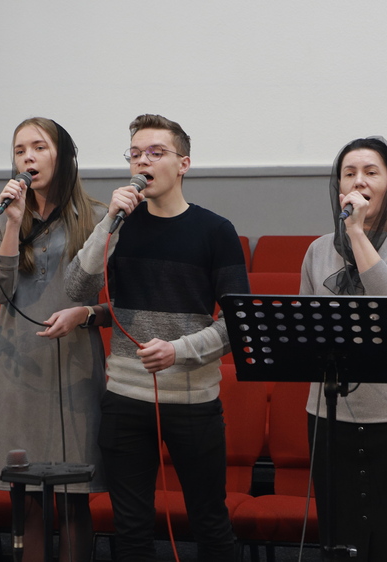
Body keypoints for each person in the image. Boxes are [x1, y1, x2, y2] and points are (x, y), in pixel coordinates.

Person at [64, 114, 249, 561]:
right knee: (130, 530)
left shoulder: (215, 231)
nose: (142, 161)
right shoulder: (118, 226)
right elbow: (76, 287)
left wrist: (178, 351)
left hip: (192, 400)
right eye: (135, 153)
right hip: (125, 399)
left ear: (183, 164)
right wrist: (108, 221)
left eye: (155, 152)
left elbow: (238, 323)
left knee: (209, 522)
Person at [0, 117, 108, 562]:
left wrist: (86, 315)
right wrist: (12, 225)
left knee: (73, 496)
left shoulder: (98, 217)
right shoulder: (2, 215)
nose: (27, 157)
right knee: (26, 497)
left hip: (74, 367)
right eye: (19, 150)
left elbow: (118, 306)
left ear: (63, 156)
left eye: (39, 147)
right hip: (16, 370)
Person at [300, 137, 387, 561]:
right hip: (330, 416)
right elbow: (306, 330)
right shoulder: (317, 250)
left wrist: (356, 234)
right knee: (342, 540)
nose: (358, 181)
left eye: (370, 172)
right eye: (349, 173)